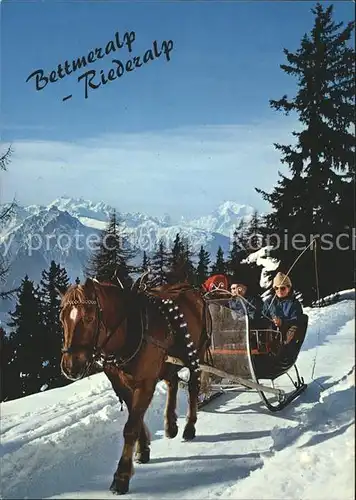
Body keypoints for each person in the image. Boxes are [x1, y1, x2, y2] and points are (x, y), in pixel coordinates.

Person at [262, 272, 303, 344]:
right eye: (276, 288)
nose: (279, 291)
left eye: (282, 288)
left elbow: (297, 321)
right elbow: (263, 315)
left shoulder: (294, 304)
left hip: (286, 334)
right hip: (270, 334)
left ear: (289, 288)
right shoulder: (269, 302)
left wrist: (282, 322)